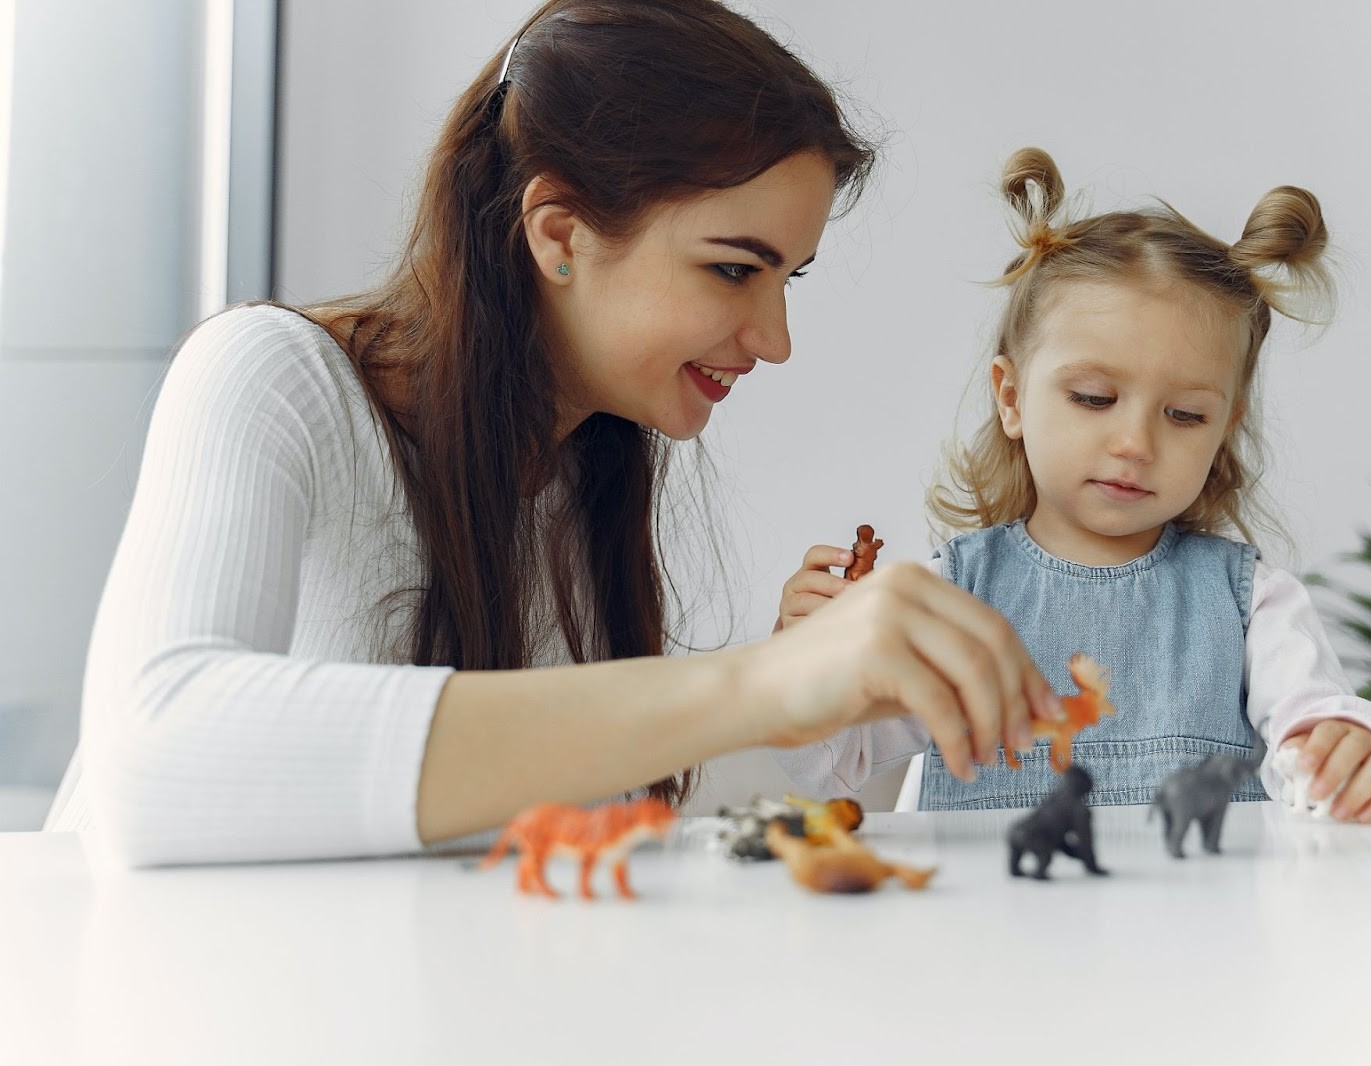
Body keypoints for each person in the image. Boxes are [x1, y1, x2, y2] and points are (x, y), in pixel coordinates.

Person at [45, 0, 1065, 867]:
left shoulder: (586, 464)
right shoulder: (269, 377)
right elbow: (157, 754)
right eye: (731, 268)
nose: (775, 339)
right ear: (560, 234)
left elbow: (568, 784)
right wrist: (749, 685)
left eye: (786, 278)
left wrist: (804, 706)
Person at [773, 146, 1371, 821]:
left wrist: (1348, 753)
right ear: (1013, 397)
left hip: (1207, 925)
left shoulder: (1254, 603)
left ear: (1224, 426)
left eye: (1184, 415)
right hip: (994, 926)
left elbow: (1313, 724)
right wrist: (805, 663)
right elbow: (831, 762)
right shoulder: (950, 598)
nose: (1136, 444)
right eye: (1092, 398)